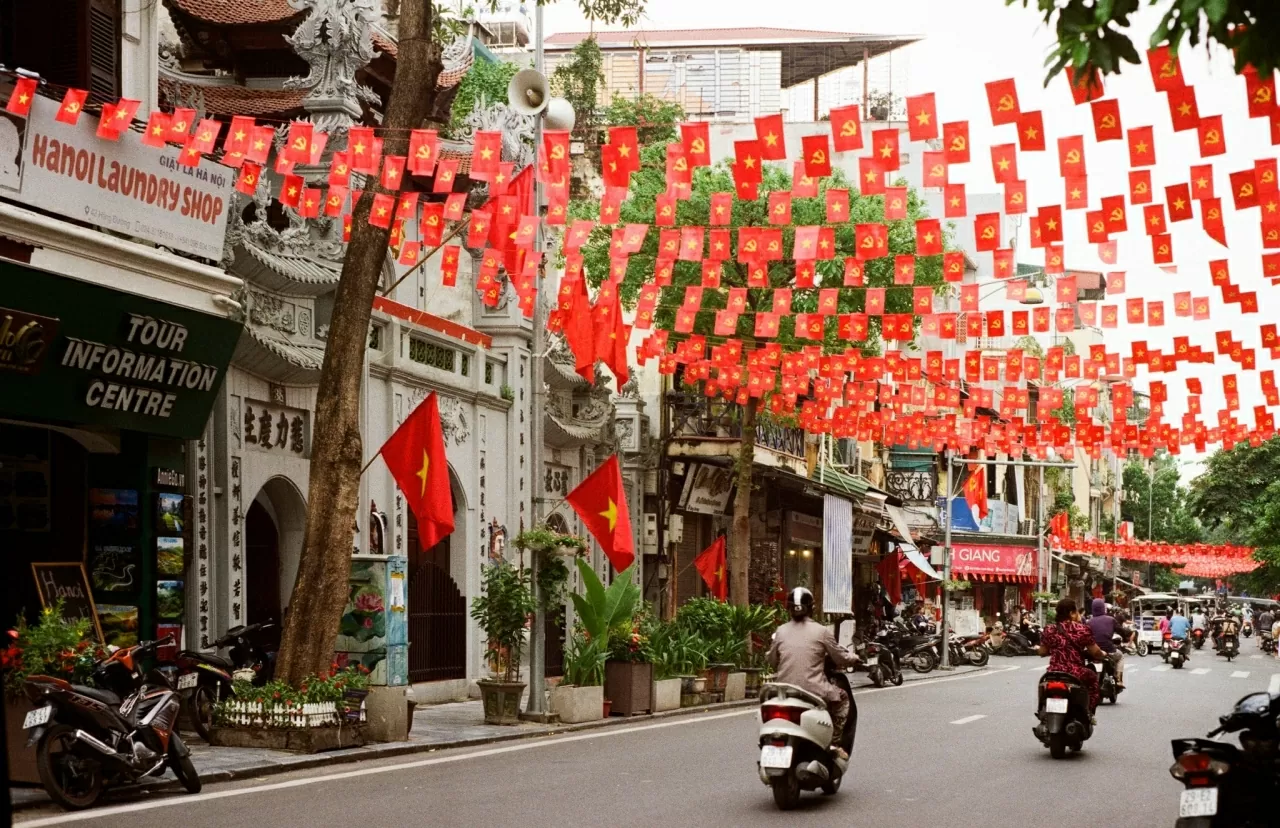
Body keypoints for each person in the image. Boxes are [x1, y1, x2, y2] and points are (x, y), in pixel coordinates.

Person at [767, 587, 860, 760]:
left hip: (783, 691)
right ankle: (834, 743)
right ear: (811, 608)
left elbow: (771, 660)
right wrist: (853, 657)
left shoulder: (780, 631)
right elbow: (840, 657)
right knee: (843, 700)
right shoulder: (821, 631)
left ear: (788, 608)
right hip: (814, 690)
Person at [1038, 598, 1106, 715]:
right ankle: (1089, 713)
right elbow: (1095, 652)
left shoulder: (1049, 629)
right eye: (1077, 612)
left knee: (1042, 685)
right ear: (1071, 613)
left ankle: (1041, 710)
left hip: (1054, 672)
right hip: (1075, 672)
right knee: (1093, 679)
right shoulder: (1081, 629)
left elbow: (1042, 652)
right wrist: (1103, 654)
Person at [1086, 598, 1124, 689]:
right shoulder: (1111, 620)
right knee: (1120, 656)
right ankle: (1119, 679)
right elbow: (1121, 631)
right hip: (1109, 650)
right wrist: (1127, 638)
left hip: (1092, 652)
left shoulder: (1088, 622)